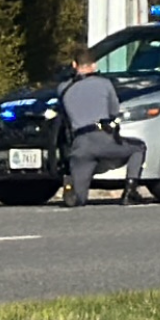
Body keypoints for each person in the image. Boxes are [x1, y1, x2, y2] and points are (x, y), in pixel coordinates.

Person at [57, 46, 146, 207]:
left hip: (80, 145)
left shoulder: (63, 88)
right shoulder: (105, 84)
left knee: (79, 200)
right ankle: (130, 191)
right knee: (138, 148)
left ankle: (72, 187)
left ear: (74, 65)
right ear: (94, 65)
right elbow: (114, 112)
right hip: (103, 139)